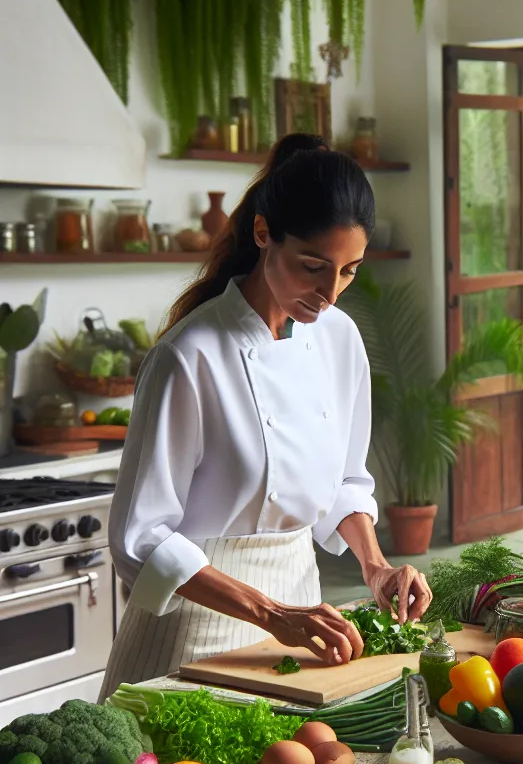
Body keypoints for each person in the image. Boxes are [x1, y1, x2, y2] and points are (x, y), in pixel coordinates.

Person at [99, 133, 431, 700]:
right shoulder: (189, 356)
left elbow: (346, 481)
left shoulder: (340, 340)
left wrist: (376, 567)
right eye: (313, 267)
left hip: (302, 628)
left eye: (349, 271)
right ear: (262, 234)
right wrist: (271, 613)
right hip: (194, 628)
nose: (330, 294)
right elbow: (140, 536)